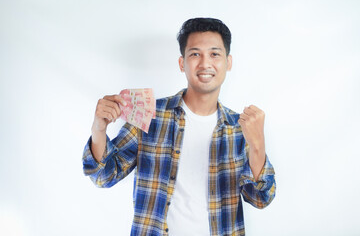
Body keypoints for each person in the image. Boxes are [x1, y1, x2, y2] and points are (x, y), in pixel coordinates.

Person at [83, 17, 276, 236]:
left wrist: (258, 145)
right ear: (181, 63)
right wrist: (98, 129)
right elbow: (103, 176)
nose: (205, 64)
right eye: (195, 54)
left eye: (214, 54)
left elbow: (260, 198)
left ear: (228, 62)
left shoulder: (241, 128)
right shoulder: (150, 116)